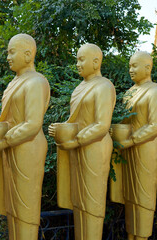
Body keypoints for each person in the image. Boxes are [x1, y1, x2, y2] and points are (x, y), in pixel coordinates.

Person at [0, 34, 50, 239]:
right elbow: (10, 120)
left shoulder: (36, 82)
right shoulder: (14, 83)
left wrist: (4, 140)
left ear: (28, 55)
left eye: (12, 52)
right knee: (13, 208)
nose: (7, 57)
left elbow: (33, 124)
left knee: (25, 208)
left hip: (28, 148)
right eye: (7, 52)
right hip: (12, 147)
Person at [49, 43, 116, 240]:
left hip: (94, 148)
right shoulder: (80, 87)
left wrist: (76, 140)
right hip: (78, 148)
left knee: (92, 202)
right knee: (78, 201)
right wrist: (62, 130)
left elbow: (102, 125)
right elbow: (76, 121)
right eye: (76, 59)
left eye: (81, 59)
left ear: (96, 62)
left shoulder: (104, 86)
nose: (77, 63)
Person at [112, 51, 157, 240]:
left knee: (144, 194)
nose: (131, 70)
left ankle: (142, 236)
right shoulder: (129, 92)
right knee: (130, 194)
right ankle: (132, 234)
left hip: (146, 146)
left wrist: (133, 139)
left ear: (148, 68)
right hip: (129, 147)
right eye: (129, 66)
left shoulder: (155, 91)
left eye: (135, 66)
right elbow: (126, 122)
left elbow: (155, 125)